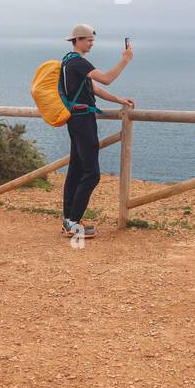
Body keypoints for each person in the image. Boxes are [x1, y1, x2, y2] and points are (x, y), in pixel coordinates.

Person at [60, 24, 134, 238]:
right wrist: (125, 59)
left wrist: (118, 99)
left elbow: (93, 89)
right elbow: (106, 79)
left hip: (75, 119)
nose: (92, 43)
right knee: (92, 174)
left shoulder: (67, 61)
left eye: (92, 40)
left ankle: (68, 220)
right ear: (78, 40)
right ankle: (73, 222)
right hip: (83, 121)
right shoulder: (78, 62)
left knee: (75, 169)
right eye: (89, 40)